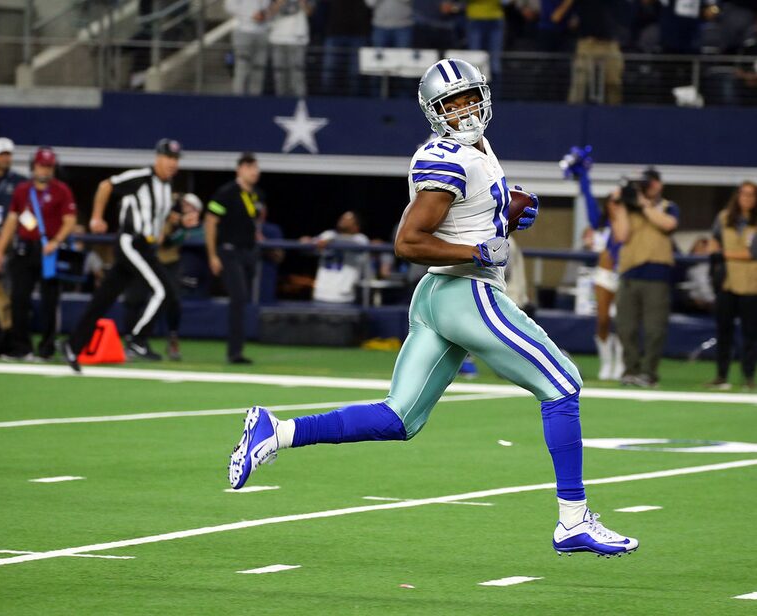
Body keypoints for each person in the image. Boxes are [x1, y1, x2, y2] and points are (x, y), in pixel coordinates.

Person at [228, 58, 637, 557]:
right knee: (563, 383)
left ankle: (279, 431)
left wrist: (505, 215)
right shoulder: (447, 156)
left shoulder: (478, 150)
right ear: (434, 111)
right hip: (464, 291)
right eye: (452, 102)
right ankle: (573, 519)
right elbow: (409, 241)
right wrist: (477, 251)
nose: (464, 109)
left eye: (470, 98)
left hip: (441, 296)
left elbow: (470, 224)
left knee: (399, 418)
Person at [61, 139, 198, 371]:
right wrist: (96, 217)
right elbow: (106, 186)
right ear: (158, 157)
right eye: (168, 158)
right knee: (163, 291)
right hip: (131, 243)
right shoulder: (141, 178)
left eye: (175, 159)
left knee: (103, 298)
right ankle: (137, 339)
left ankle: (72, 346)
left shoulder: (166, 186)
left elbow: (159, 217)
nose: (172, 163)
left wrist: (180, 222)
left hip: (147, 247)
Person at [0, 147, 77, 360]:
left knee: (50, 301)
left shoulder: (61, 190)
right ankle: (22, 348)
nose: (45, 170)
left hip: (49, 250)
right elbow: (12, 221)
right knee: (18, 298)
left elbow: (70, 221)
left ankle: (46, 349)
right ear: (34, 166)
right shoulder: (22, 190)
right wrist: (0, 251)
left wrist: (56, 241)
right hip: (24, 249)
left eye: (49, 166)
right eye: (42, 165)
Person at [612, 167, 679, 388]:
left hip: (657, 275)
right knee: (626, 327)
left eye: (649, 183)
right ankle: (630, 370)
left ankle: (649, 373)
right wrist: (620, 205)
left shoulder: (669, 207)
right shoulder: (629, 209)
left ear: (658, 184)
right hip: (630, 274)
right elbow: (621, 235)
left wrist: (643, 203)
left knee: (654, 329)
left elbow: (668, 224)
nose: (646, 187)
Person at [562, 145, 623, 381]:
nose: (615, 205)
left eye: (619, 202)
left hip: (624, 275)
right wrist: (584, 176)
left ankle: (621, 362)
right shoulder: (601, 223)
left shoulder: (631, 225)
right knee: (604, 319)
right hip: (605, 275)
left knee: (623, 322)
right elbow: (588, 200)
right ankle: (607, 362)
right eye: (613, 201)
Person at [123, 192, 203, 361]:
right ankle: (133, 342)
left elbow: (168, 241)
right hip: (143, 258)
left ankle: (170, 338)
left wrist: (180, 224)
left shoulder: (181, 218)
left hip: (168, 261)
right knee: (135, 299)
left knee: (171, 299)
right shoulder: (155, 206)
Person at [205, 152, 265, 364]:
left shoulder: (255, 194)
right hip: (229, 252)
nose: (255, 172)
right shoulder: (227, 192)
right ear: (239, 169)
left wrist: (256, 232)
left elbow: (257, 216)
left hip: (248, 252)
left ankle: (238, 348)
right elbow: (210, 221)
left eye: (256, 168)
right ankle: (234, 352)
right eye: (250, 168)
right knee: (238, 298)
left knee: (243, 299)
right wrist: (212, 255)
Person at [706, 181, 757, 391]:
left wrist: (725, 254)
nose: (746, 198)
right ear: (737, 196)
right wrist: (716, 253)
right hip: (726, 282)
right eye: (743, 194)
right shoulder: (724, 217)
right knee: (723, 330)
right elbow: (713, 242)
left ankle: (748, 377)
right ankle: (721, 375)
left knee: (750, 333)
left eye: (751, 195)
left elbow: (753, 253)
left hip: (751, 283)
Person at [554, 0, 624, 105]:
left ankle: (615, 116)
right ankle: (573, 115)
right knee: (579, 83)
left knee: (614, 83)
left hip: (609, 43)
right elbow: (556, 17)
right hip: (587, 44)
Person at [300, 211, 370, 304]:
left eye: (348, 219)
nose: (343, 220)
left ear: (356, 226)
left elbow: (356, 245)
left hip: (344, 297)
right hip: (321, 293)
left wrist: (330, 241)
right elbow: (307, 249)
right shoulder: (328, 234)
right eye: (342, 217)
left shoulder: (360, 238)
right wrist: (306, 241)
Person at [268, 0, 314, 97]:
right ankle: (281, 103)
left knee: (297, 74)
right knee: (279, 75)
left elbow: (309, 12)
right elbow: (268, 13)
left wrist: (302, 2)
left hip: (298, 38)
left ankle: (300, 102)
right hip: (278, 38)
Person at [226, 0, 271, 95]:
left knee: (259, 69)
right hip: (243, 30)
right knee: (242, 68)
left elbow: (268, 6)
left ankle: (255, 100)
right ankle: (238, 99)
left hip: (262, 31)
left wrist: (263, 15)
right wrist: (251, 16)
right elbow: (229, 7)